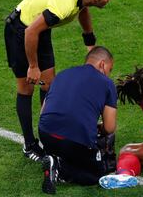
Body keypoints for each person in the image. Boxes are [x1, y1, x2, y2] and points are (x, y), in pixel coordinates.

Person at [4, 0, 113, 161]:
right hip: (21, 29)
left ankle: (48, 136)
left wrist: (90, 43)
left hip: (41, 29)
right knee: (26, 88)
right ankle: (29, 145)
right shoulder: (63, 6)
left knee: (48, 84)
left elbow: (83, 11)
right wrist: (33, 66)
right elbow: (30, 31)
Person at [38, 46, 117, 194]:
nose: (108, 74)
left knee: (66, 145)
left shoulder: (62, 74)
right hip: (74, 141)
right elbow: (110, 127)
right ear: (102, 64)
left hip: (46, 134)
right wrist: (98, 128)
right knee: (97, 173)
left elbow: (43, 111)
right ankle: (60, 166)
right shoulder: (107, 84)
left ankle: (53, 157)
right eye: (109, 69)